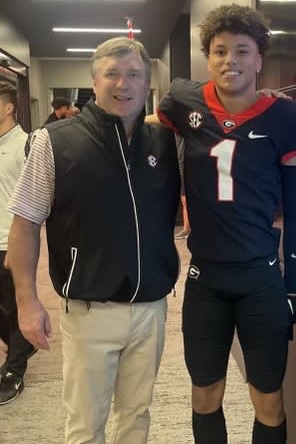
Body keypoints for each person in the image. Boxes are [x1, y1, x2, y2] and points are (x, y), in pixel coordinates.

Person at [157, 4, 296, 444]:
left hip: (261, 279)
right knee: (205, 393)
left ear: (259, 59)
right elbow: (150, 120)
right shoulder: (184, 101)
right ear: (207, 58)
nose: (231, 60)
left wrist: (293, 287)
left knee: (268, 399)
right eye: (220, 51)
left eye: (242, 51)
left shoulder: (288, 119)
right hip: (204, 278)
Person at [7, 37, 180, 444]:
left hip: (151, 309)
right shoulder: (55, 141)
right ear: (94, 81)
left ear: (146, 82)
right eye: (113, 74)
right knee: (86, 423)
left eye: (135, 74)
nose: (125, 84)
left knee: (136, 416)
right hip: (89, 311)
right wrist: (26, 302)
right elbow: (25, 224)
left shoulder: (164, 142)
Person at [0, 81, 36, 405]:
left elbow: (33, 203)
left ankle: (14, 369)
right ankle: (21, 344)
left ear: (9, 107)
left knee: (14, 308)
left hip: (10, 242)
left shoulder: (27, 145)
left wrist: (18, 246)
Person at [174, 135, 191, 239]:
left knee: (185, 198)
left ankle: (187, 228)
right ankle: (186, 228)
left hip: (187, 164)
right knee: (184, 197)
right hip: (180, 163)